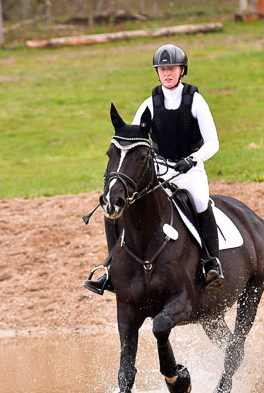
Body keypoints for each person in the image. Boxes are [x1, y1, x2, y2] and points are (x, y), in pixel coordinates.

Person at [84, 43, 224, 294]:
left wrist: (192, 160)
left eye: (172, 69)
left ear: (182, 71)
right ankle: (110, 267)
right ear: (157, 72)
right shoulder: (149, 103)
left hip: (190, 171)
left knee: (202, 204)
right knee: (115, 208)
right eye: (162, 69)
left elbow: (213, 142)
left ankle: (210, 262)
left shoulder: (196, 101)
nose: (167, 74)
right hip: (159, 169)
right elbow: (135, 138)